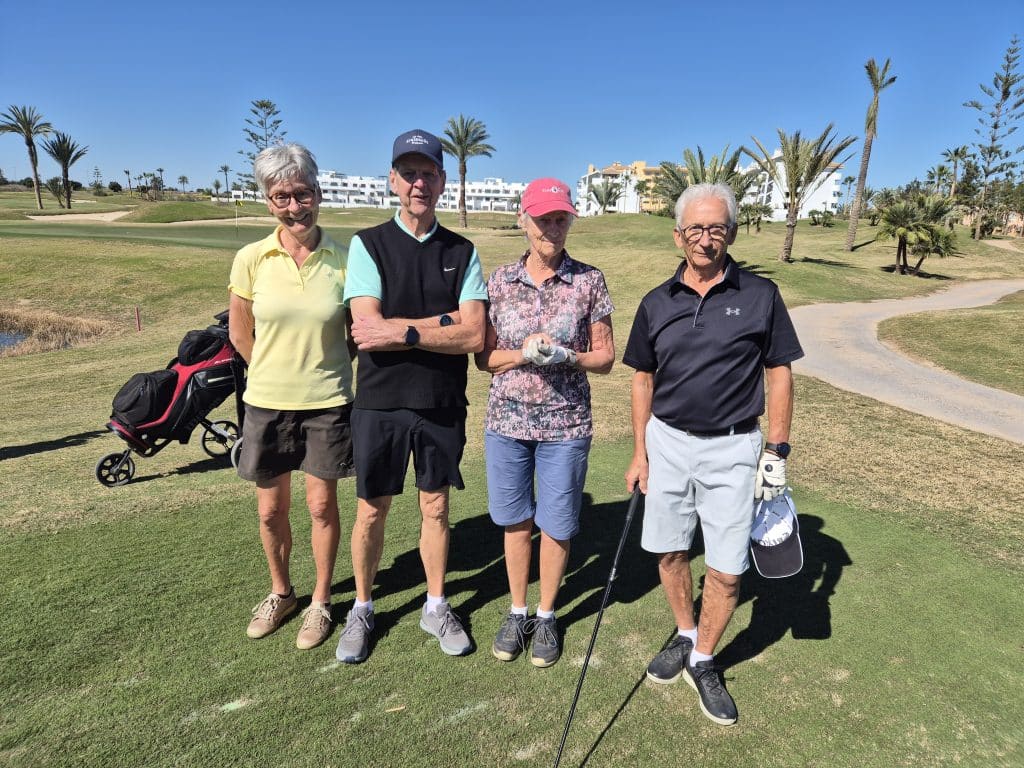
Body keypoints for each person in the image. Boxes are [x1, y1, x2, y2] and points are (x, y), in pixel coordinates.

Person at [623, 182, 803, 725]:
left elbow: (779, 372)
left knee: (725, 568)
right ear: (678, 235)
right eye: (696, 229)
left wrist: (777, 449)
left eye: (716, 229)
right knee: (669, 550)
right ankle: (685, 632)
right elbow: (642, 379)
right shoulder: (656, 302)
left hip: (734, 446)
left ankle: (703, 658)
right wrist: (640, 452)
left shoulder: (761, 295)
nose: (706, 239)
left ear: (732, 233)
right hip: (668, 442)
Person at [336, 129, 487, 663]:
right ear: (393, 181)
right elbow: (366, 329)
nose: (419, 183)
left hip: (441, 401)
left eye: (428, 173)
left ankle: (436, 605)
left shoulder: (462, 251)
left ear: (443, 182)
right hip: (380, 401)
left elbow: (475, 335)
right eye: (409, 173)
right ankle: (362, 607)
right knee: (371, 510)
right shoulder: (368, 244)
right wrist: (441, 322)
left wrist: (403, 330)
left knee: (436, 507)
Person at [475, 178, 615, 668]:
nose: (552, 228)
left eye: (561, 219)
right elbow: (485, 359)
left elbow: (605, 357)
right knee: (515, 520)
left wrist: (567, 355)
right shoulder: (499, 282)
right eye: (543, 219)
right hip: (507, 422)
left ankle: (547, 614)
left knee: (556, 523)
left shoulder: (589, 281)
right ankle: (518, 611)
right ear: (523, 220)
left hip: (565, 424)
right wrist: (523, 354)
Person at [228, 143, 355, 651]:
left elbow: (356, 333)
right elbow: (240, 332)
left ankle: (321, 600)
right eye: (281, 197)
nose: (294, 206)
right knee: (270, 510)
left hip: (327, 400)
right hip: (266, 401)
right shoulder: (251, 258)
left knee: (321, 505)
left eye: (302, 193)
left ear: (318, 194)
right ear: (268, 202)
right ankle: (281, 593)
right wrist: (272, 371)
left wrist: (321, 368)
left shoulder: (345, 259)